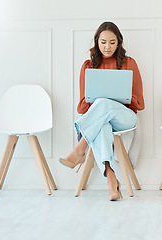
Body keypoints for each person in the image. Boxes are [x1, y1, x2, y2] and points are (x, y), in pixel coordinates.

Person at [59, 22, 144, 201]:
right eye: (103, 42)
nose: (107, 47)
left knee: (104, 104)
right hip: (100, 120)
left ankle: (79, 148)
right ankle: (111, 180)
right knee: (102, 125)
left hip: (125, 117)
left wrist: (118, 97)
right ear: (97, 41)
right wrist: (100, 102)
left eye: (112, 43)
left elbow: (139, 103)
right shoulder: (88, 66)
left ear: (119, 43)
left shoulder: (130, 63)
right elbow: (82, 106)